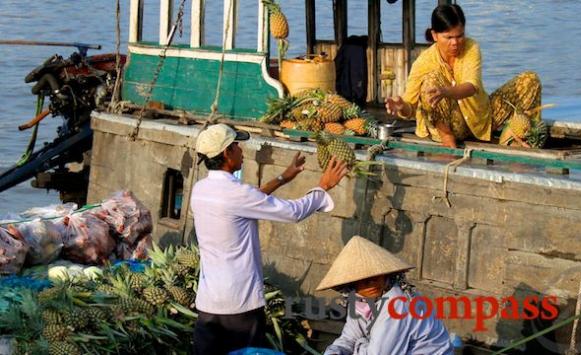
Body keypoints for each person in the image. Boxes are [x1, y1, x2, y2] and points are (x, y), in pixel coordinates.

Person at [191, 123, 348, 354]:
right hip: (239, 305)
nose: (242, 150)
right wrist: (323, 186)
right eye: (237, 145)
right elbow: (293, 212)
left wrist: (283, 177)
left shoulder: (200, 190)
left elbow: (248, 201)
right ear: (226, 153)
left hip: (209, 304)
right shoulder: (237, 194)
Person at [386, 4, 542, 148]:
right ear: (435, 35)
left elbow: (471, 87)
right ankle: (448, 141)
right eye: (448, 37)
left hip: (479, 118)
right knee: (431, 81)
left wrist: (446, 91)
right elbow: (409, 108)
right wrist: (401, 106)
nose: (455, 43)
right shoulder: (423, 62)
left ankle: (521, 138)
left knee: (530, 80)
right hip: (448, 127)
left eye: (459, 36)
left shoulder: (471, 47)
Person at [317, 236, 453, 355]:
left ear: (386, 275)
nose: (371, 283)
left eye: (375, 276)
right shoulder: (359, 301)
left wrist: (361, 344)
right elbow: (349, 337)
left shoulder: (397, 304)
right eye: (362, 280)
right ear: (352, 284)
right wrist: (335, 351)